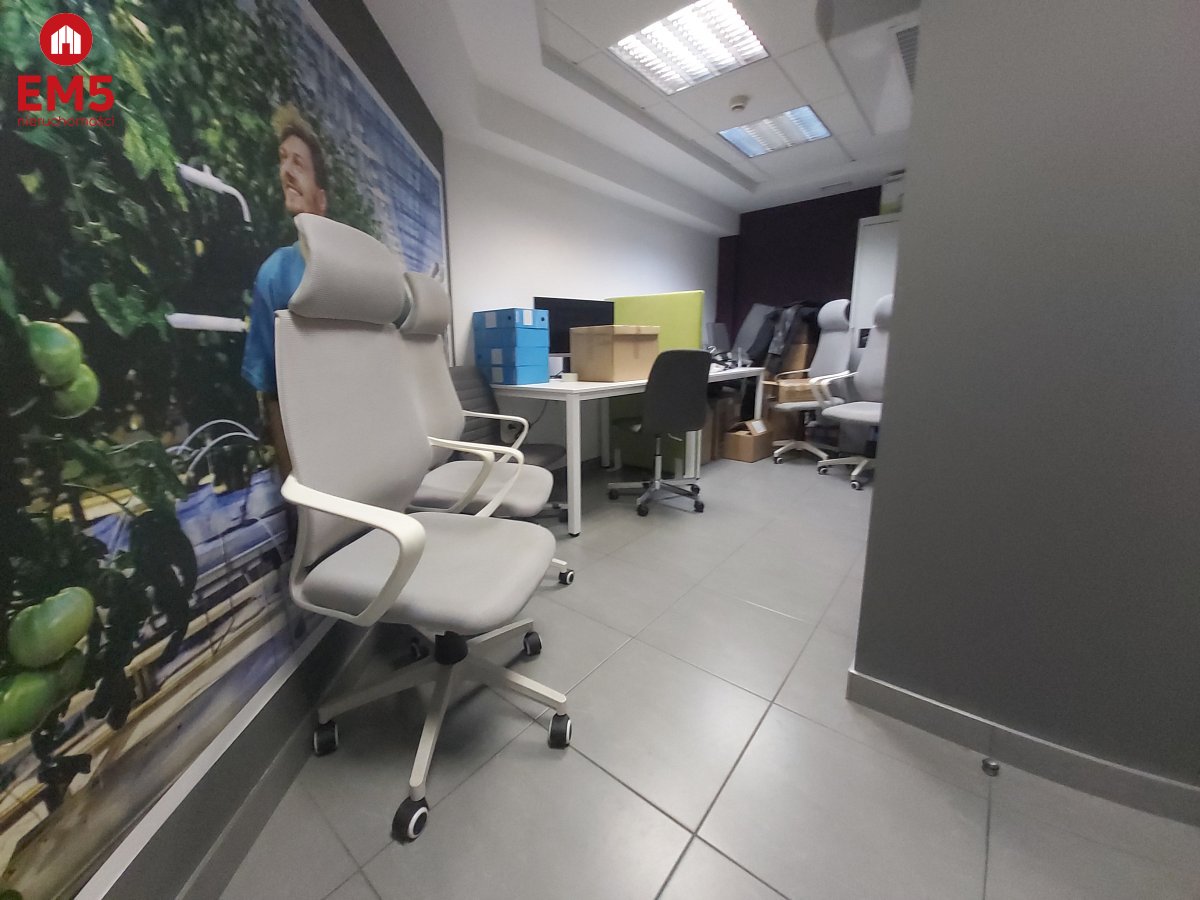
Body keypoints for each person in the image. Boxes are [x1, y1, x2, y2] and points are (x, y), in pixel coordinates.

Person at [241, 106, 329, 478]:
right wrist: (295, 482)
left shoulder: (356, 275)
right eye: (283, 160)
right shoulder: (275, 273)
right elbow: (272, 392)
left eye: (299, 163)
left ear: (321, 199)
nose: (287, 171)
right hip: (309, 451)